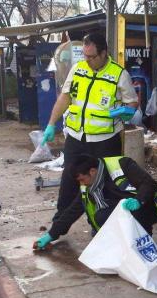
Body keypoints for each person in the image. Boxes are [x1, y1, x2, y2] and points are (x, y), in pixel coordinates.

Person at [40, 32, 139, 223]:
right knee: (69, 180)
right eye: (85, 56)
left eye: (92, 56)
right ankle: (60, 221)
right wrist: (51, 124)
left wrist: (125, 112)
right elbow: (65, 97)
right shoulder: (78, 69)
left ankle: (102, 222)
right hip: (77, 138)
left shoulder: (119, 74)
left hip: (105, 140)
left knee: (105, 183)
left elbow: (133, 103)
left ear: (103, 53)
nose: (88, 60)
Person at [34, 154, 157, 250]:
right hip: (124, 208)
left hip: (150, 206)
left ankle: (143, 241)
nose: (82, 184)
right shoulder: (89, 186)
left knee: (107, 215)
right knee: (101, 217)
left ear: (92, 171)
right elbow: (73, 211)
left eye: (82, 179)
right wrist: (51, 235)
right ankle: (126, 241)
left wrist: (139, 200)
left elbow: (148, 183)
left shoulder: (122, 164)